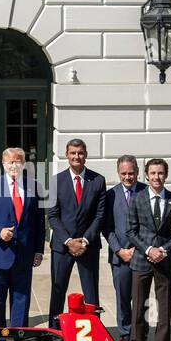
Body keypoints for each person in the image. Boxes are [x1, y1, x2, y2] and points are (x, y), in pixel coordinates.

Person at [0, 147, 44, 327]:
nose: (14, 165)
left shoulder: (34, 186)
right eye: (10, 162)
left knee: (21, 301)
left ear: (24, 164)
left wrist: (38, 250)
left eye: (18, 161)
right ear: (3, 164)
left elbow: (38, 221)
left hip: (24, 254)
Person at [127, 158, 171, 341]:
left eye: (160, 173)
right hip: (141, 261)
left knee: (163, 309)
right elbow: (131, 231)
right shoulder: (137, 198)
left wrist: (163, 249)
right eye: (153, 173)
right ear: (146, 175)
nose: (156, 177)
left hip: (165, 261)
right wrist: (148, 249)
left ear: (166, 175)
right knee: (138, 307)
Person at [46, 138, 107, 326]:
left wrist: (85, 241)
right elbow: (52, 215)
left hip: (88, 246)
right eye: (73, 153)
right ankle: (54, 332)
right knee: (58, 292)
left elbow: (100, 215)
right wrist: (69, 241)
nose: (76, 156)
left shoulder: (98, 180)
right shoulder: (56, 181)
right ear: (66, 155)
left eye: (80, 153)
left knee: (91, 294)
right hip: (62, 246)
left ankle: (94, 332)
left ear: (86, 155)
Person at [102, 155, 145, 341]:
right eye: (124, 173)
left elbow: (150, 225)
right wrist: (119, 250)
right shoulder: (110, 195)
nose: (128, 177)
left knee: (142, 299)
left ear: (137, 172)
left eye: (132, 173)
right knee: (123, 298)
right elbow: (107, 227)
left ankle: (140, 334)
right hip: (119, 256)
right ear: (118, 173)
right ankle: (126, 335)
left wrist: (138, 249)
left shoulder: (146, 191)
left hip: (142, 255)